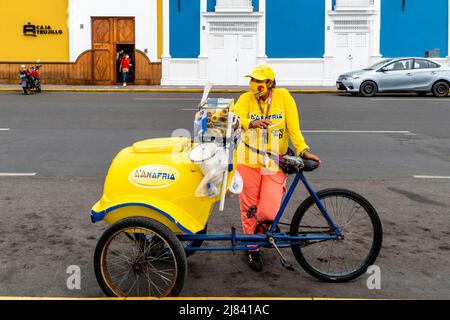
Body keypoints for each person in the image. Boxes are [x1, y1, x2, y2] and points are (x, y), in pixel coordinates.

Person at [234, 64, 321, 272]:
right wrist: (250, 123)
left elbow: (294, 129)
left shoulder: (283, 97)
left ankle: (264, 226)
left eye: (259, 81)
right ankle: (252, 246)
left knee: (269, 210)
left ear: (270, 83)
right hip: (247, 160)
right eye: (252, 80)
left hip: (275, 161)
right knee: (250, 208)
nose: (254, 84)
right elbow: (235, 120)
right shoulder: (246, 99)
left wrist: (303, 149)